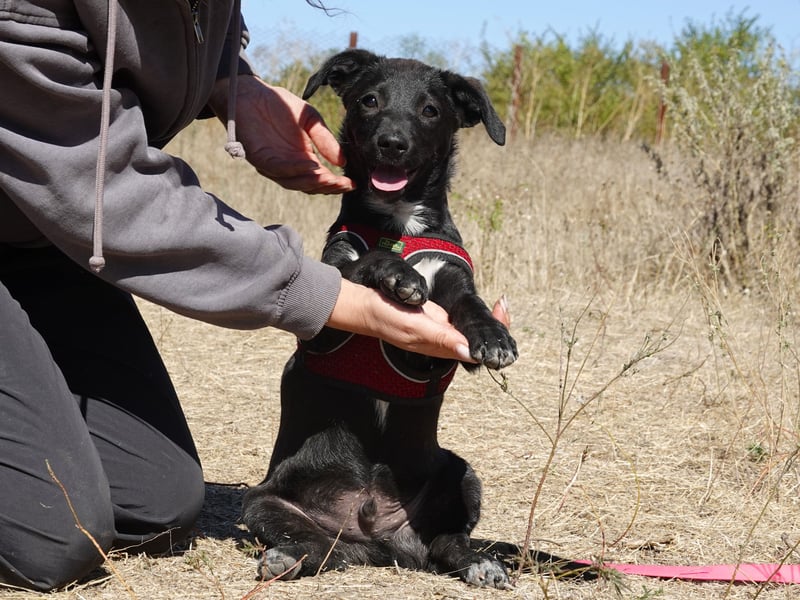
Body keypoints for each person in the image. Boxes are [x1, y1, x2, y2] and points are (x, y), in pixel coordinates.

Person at [0, 1, 507, 591]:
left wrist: (227, 79)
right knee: (50, 542)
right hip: (60, 206)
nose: (393, 132)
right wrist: (328, 295)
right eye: (370, 103)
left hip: (41, 246)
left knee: (156, 507)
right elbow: (105, 191)